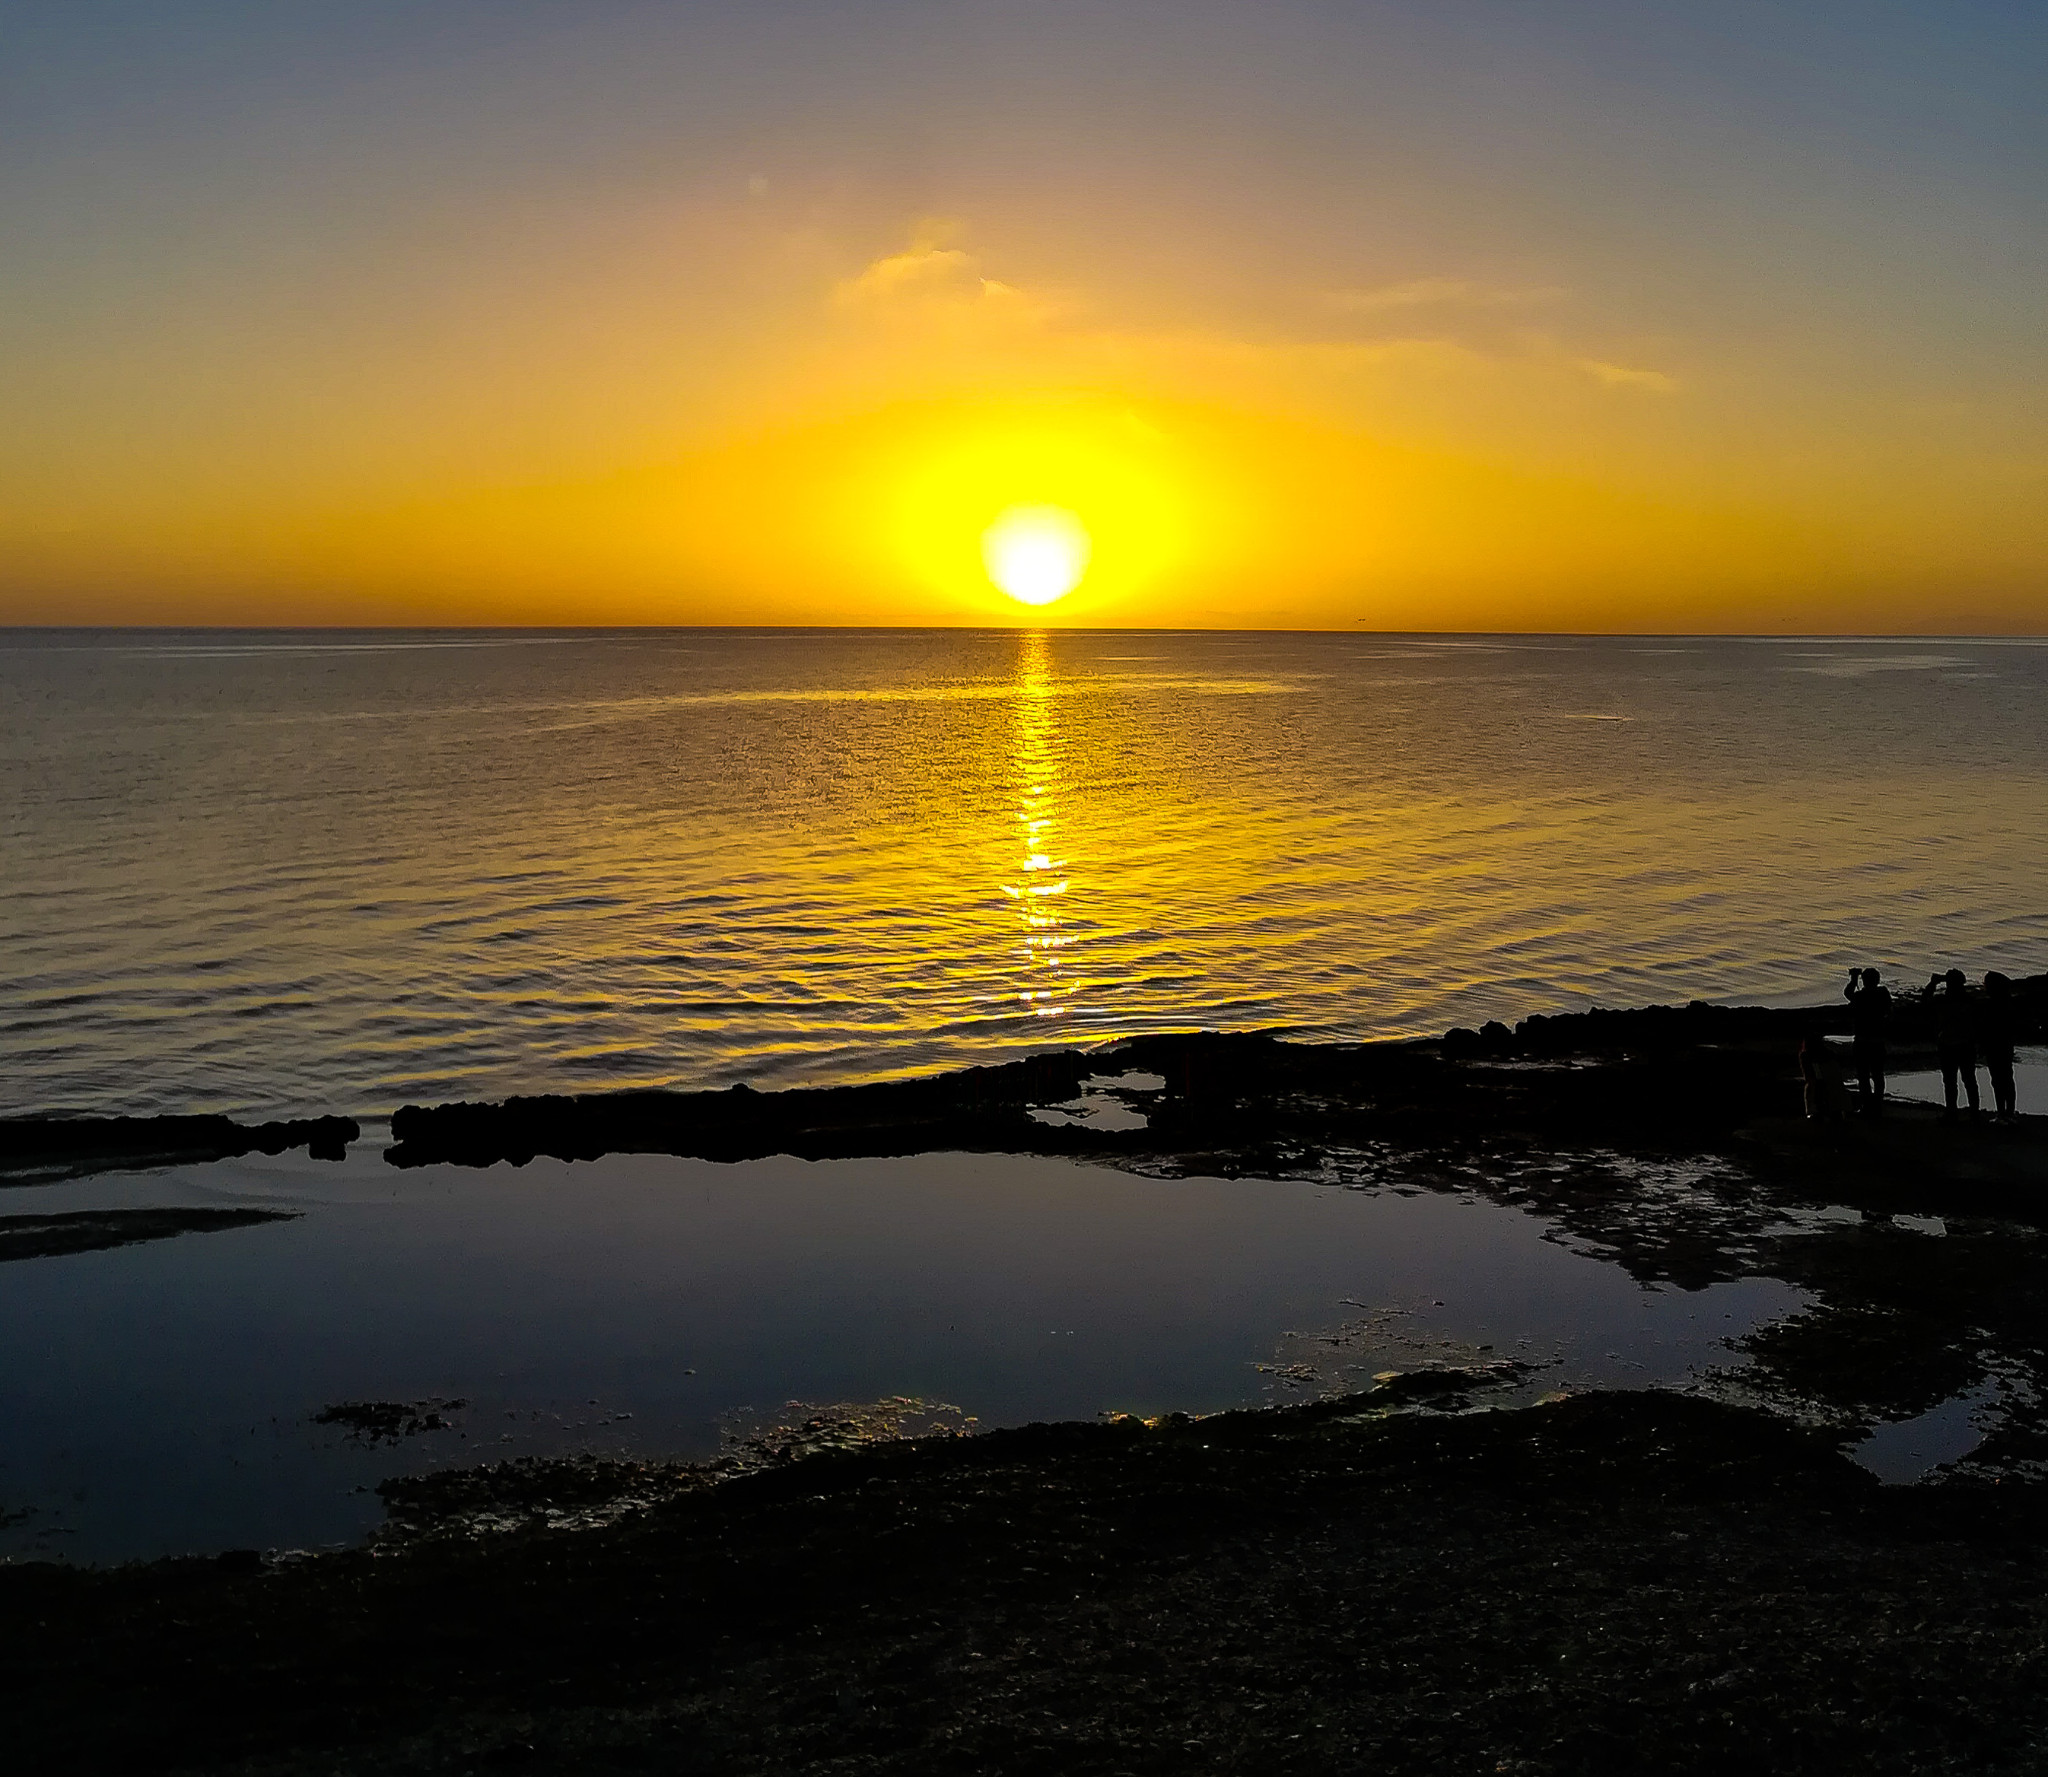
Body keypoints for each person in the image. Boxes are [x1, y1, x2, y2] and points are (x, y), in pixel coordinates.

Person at [1933, 968, 1980, 1122]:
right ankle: (1974, 1112)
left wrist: (1932, 984)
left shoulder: (1944, 1000)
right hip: (1965, 1044)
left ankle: (1952, 1112)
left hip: (1948, 1043)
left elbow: (1925, 1001)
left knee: (1950, 1081)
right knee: (1969, 1080)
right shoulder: (1969, 1000)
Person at [1844, 967, 1891, 1114]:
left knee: (1863, 1075)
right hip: (1877, 1040)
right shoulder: (1883, 993)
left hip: (1863, 1041)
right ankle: (1877, 1104)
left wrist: (1853, 980)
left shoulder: (1861, 996)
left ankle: (1867, 1105)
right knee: (1877, 1074)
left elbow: (1848, 993)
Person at [1981, 971, 2019, 1122]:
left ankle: (2002, 1113)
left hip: (1995, 1046)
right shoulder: (2008, 1004)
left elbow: (1987, 1028)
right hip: (2005, 1046)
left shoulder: (1992, 1005)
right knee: (2007, 1078)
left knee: (1998, 1079)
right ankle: (2008, 1112)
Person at [1799, 1029, 1845, 1122]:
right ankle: (1833, 1110)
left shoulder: (1807, 1056)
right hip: (1835, 1086)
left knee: (1813, 1086)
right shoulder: (1830, 1054)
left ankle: (1815, 1111)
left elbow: (1812, 1078)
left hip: (1822, 1082)